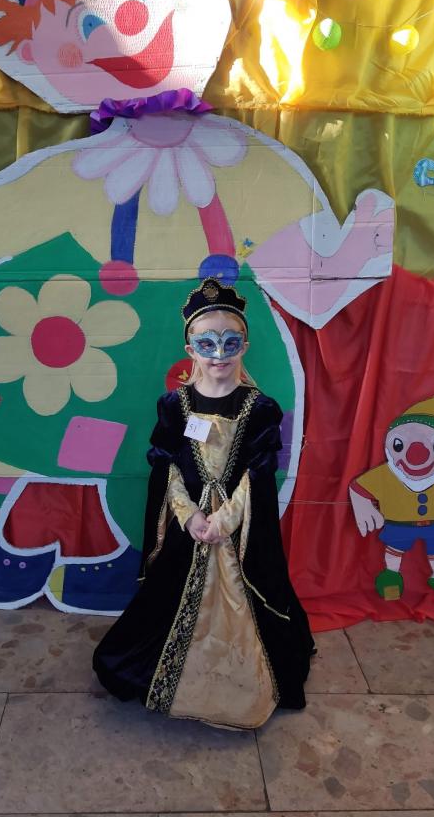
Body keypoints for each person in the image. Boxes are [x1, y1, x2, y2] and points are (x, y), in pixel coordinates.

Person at [93, 278, 314, 729]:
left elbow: (257, 473)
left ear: (244, 346)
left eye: (230, 343)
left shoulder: (260, 408)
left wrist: (223, 521)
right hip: (188, 526)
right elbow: (167, 465)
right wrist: (189, 514)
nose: (219, 354)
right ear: (190, 348)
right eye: (207, 343)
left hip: (237, 531)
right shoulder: (174, 405)